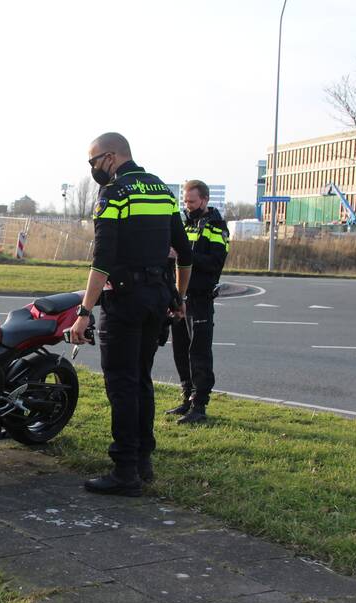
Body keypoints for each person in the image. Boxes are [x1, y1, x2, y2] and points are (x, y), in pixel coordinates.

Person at [69, 132, 192, 496]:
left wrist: (84, 311)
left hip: (124, 300)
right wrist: (180, 297)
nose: (93, 170)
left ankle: (124, 471)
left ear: (109, 157)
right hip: (157, 299)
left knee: (121, 384)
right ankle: (143, 461)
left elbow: (102, 260)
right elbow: (184, 254)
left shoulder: (114, 194)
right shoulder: (162, 191)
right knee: (141, 379)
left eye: (93, 162)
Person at [165, 180, 230, 424]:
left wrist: (183, 254)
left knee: (199, 353)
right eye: (185, 201)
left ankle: (199, 406)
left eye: (191, 201)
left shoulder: (216, 226)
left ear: (204, 200)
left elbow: (215, 262)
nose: (187, 205)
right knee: (180, 349)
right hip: (179, 297)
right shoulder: (182, 222)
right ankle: (185, 399)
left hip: (200, 299)